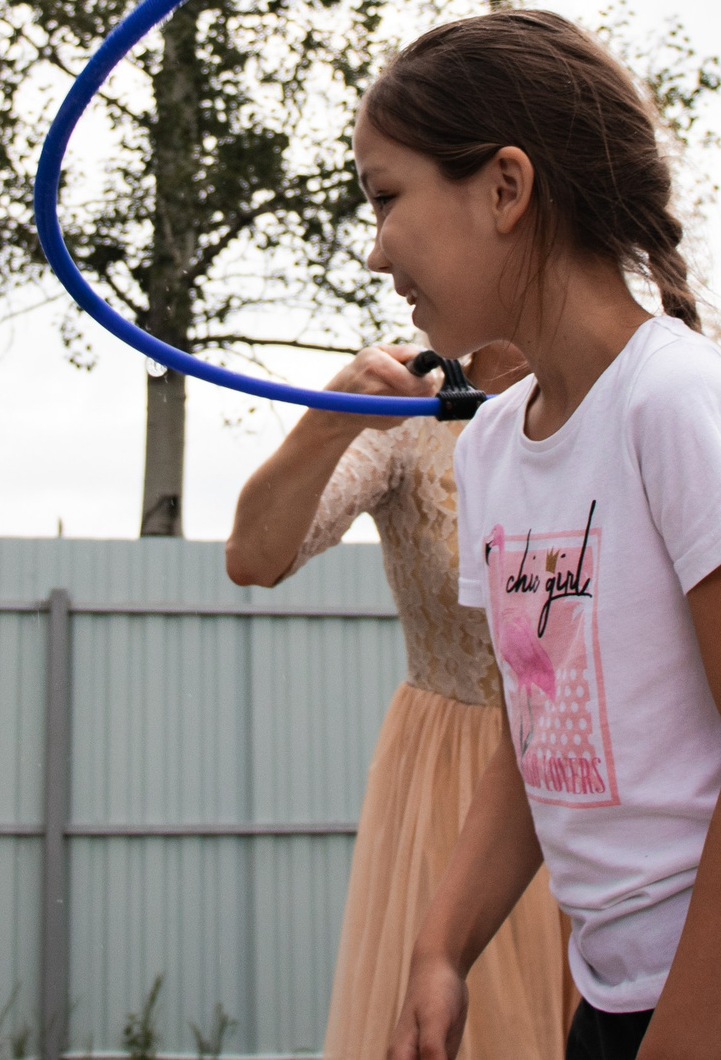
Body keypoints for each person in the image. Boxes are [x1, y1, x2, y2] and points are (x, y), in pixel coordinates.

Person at [366, 11, 721, 1060]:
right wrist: (441, 948)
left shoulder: (674, 402)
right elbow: (537, 739)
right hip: (620, 992)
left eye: (387, 197)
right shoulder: (489, 451)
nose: (377, 247)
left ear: (505, 189)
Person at [226, 340, 571, 1060]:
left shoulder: (626, 383)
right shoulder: (414, 406)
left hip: (614, 772)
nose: (392, 276)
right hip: (457, 789)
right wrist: (331, 414)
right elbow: (253, 556)